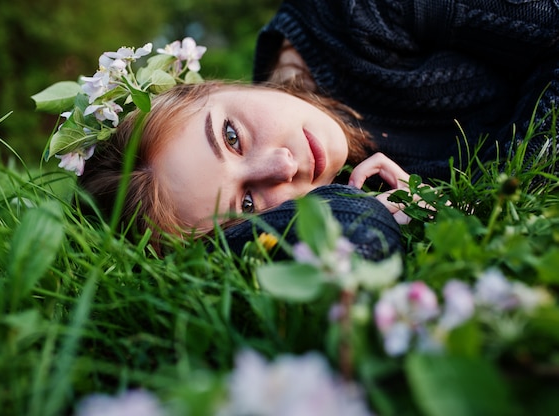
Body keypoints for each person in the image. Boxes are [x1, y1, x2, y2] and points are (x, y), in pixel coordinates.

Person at [73, 0, 558, 253]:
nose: (284, 166)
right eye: (247, 204)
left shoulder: (354, 13)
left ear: (210, 86)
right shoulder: (342, 198)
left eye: (232, 137)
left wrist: (486, 194)